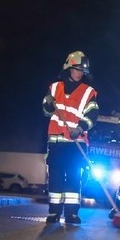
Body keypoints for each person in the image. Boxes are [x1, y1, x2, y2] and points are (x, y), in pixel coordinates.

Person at [42, 51, 99, 224]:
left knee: (74, 178)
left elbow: (92, 115)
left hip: (75, 143)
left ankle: (71, 214)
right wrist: (48, 104)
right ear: (68, 68)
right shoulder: (54, 88)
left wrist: (80, 128)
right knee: (56, 178)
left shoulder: (88, 92)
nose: (79, 73)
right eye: (76, 69)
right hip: (56, 142)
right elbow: (46, 111)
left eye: (82, 70)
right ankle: (54, 212)